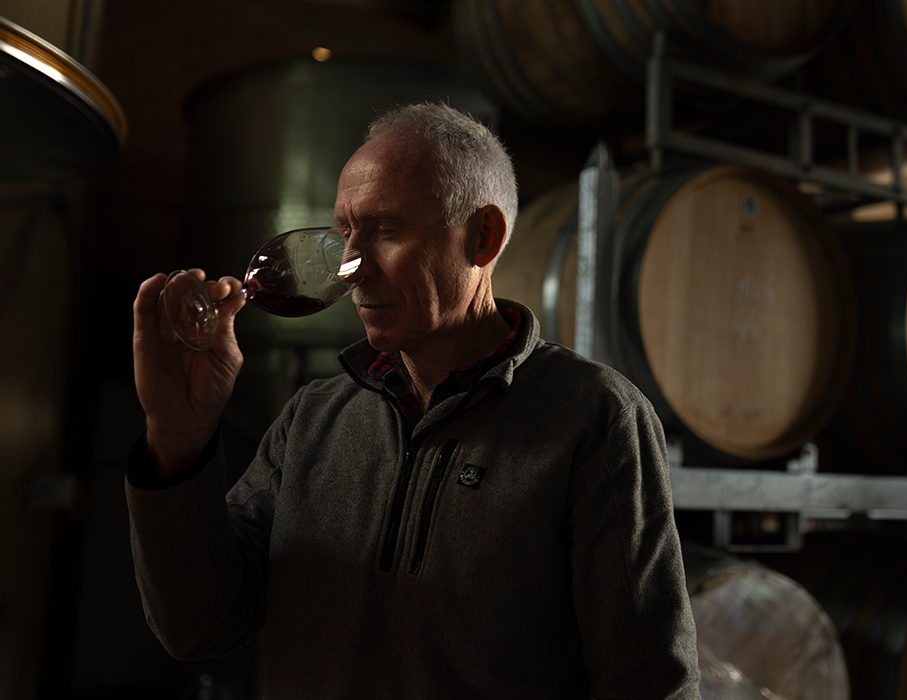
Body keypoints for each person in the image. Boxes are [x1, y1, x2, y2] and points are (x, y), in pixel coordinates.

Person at [127, 103, 701, 698]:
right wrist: (177, 441)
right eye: (346, 231)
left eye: (387, 230)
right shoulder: (314, 418)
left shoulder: (593, 417)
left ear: (484, 237)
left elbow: (647, 683)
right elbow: (196, 627)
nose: (351, 267)